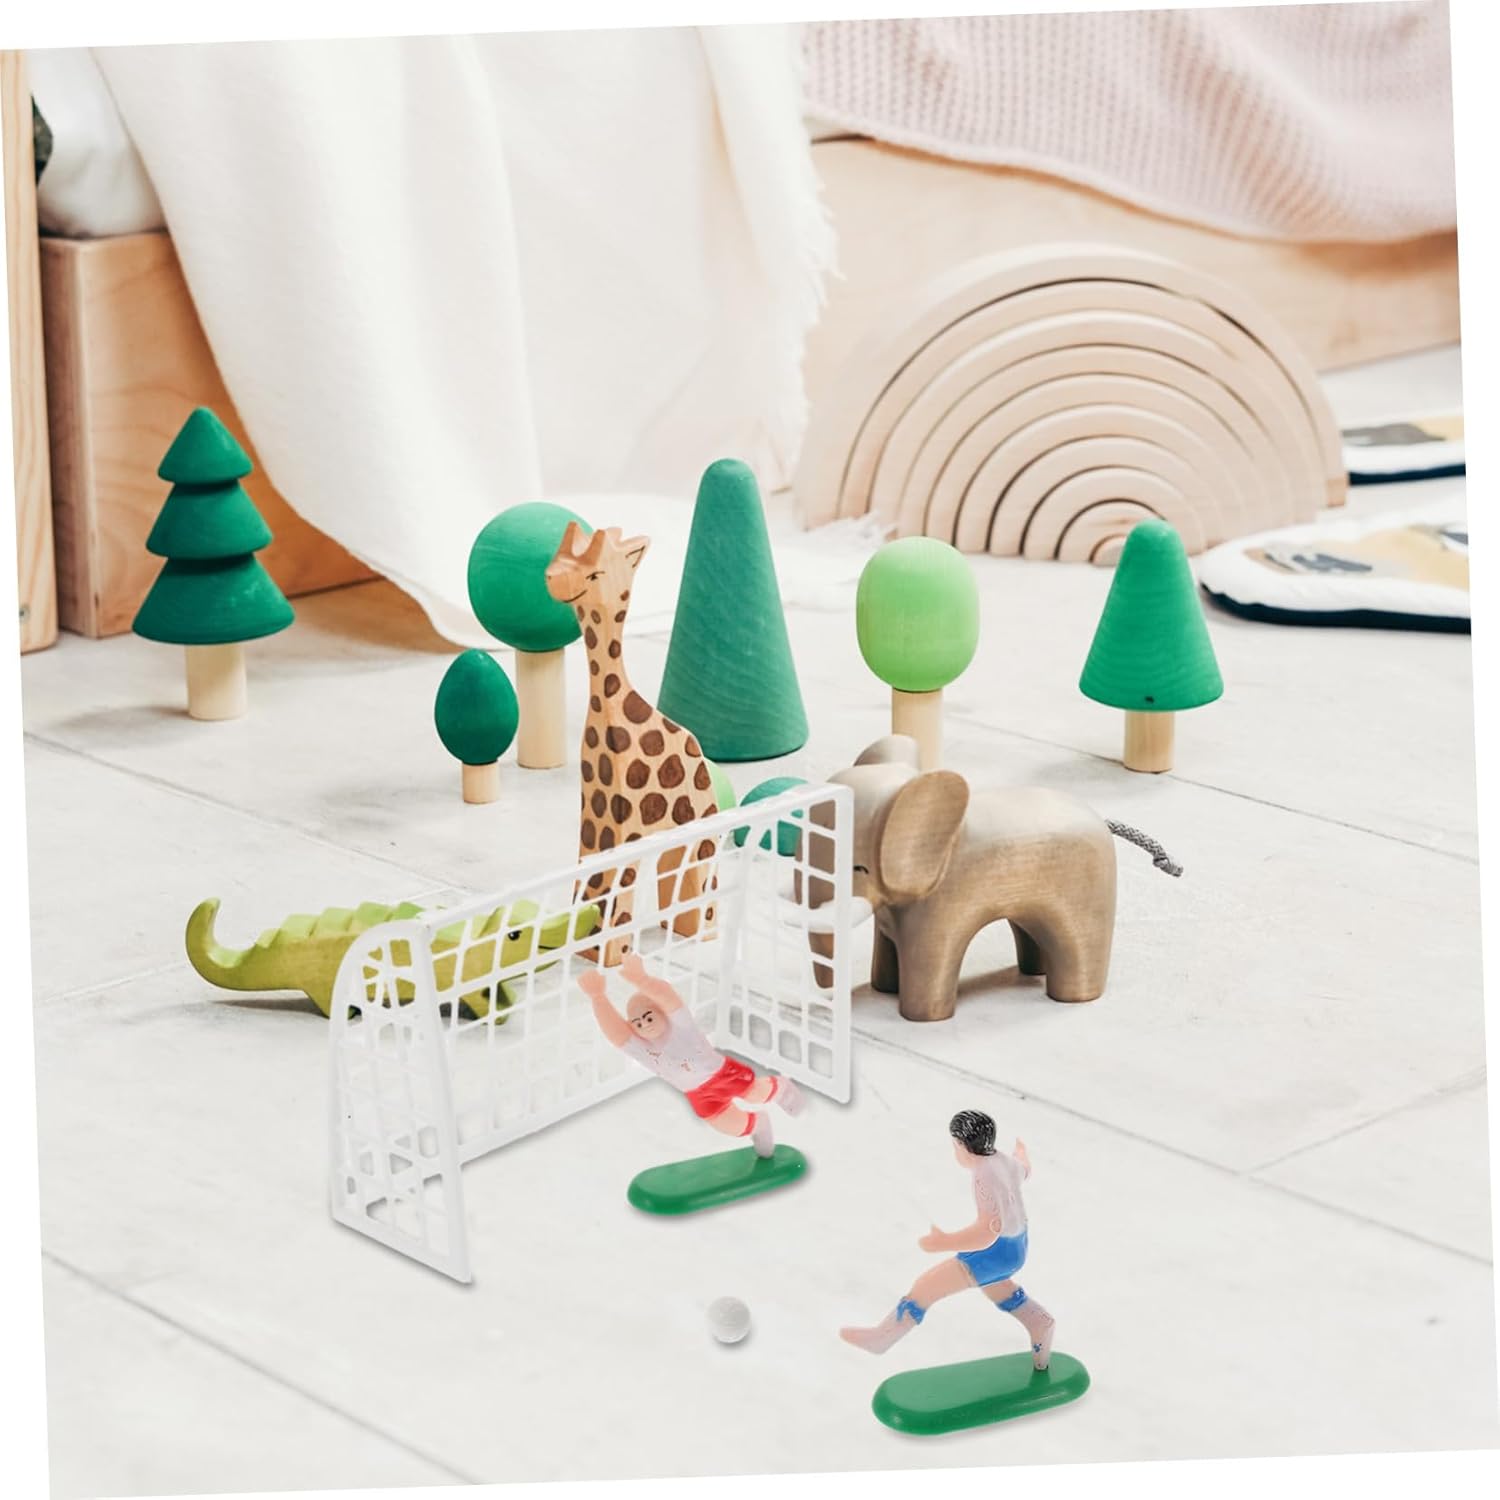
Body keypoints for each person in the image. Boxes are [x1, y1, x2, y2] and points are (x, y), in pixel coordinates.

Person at [839, 1109, 1055, 1369]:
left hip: (994, 1252)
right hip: (1017, 1247)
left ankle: (881, 1339)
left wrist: (942, 1242)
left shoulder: (982, 1176)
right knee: (997, 1287)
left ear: (962, 1145)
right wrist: (1021, 1150)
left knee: (926, 1286)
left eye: (954, 1146)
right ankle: (1040, 1322)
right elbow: (1025, 1168)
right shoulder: (1003, 1161)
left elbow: (987, 1231)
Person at [579, 952, 801, 1156]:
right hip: (698, 1095)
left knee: (755, 1093)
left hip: (723, 1074)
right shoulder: (642, 1048)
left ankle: (781, 1087)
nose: (644, 1025)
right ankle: (759, 1125)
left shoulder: (680, 1024)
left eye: (648, 1017)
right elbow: (615, 1032)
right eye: (637, 1023)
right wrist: (598, 997)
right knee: (729, 1125)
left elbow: (668, 998)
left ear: (662, 1012)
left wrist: (642, 980)